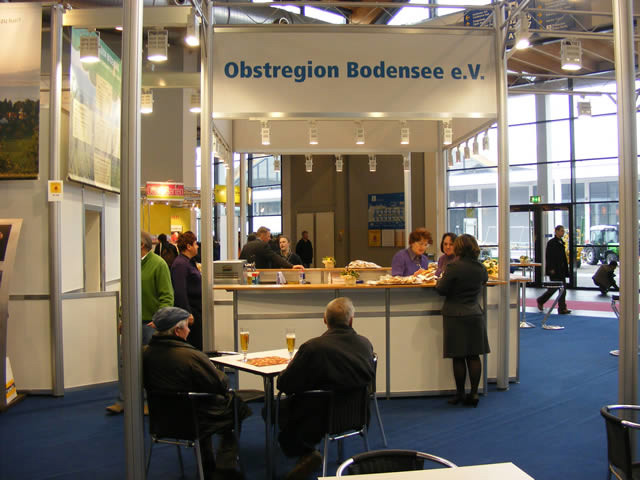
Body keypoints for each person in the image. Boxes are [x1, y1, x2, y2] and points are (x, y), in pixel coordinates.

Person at [143, 307, 250, 480]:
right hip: (194, 420)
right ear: (177, 331)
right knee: (235, 405)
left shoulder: (145, 353)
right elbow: (220, 383)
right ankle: (225, 468)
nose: (189, 330)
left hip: (161, 420)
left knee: (198, 405)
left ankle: (206, 465)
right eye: (187, 326)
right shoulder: (190, 356)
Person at [276, 297, 375, 480]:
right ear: (351, 320)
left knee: (272, 409)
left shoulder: (313, 348)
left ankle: (306, 451)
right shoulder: (365, 344)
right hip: (357, 414)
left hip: (319, 419)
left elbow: (284, 384)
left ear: (325, 320)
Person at [106, 231, 174, 414]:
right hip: (131, 323)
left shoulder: (159, 264)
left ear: (142, 245)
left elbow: (167, 296)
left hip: (150, 324)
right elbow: (126, 294)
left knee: (149, 365)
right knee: (125, 362)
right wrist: (123, 317)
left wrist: (159, 320)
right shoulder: (130, 264)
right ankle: (124, 400)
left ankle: (148, 402)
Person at [435, 234, 489, 408]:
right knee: (474, 355)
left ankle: (460, 393)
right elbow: (485, 281)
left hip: (454, 314)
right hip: (474, 314)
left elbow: (441, 289)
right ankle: (474, 393)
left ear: (458, 248)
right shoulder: (480, 268)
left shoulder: (453, 267)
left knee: (458, 357)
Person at [171, 231, 203, 350]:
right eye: (195, 244)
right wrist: (187, 313)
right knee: (194, 344)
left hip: (196, 309)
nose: (197, 246)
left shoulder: (189, 262)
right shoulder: (180, 264)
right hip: (191, 311)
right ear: (188, 246)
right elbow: (180, 290)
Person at [536, 225, 571, 314]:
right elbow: (549, 257)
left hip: (561, 270)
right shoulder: (551, 243)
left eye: (563, 231)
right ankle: (541, 300)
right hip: (554, 270)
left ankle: (562, 308)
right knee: (553, 289)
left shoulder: (561, 242)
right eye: (561, 231)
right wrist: (551, 268)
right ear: (556, 231)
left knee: (563, 289)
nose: (563, 232)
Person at [240, 226, 304, 270]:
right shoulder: (263, 245)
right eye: (268, 236)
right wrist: (291, 266)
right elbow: (275, 258)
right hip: (261, 276)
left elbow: (241, 261)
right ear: (263, 236)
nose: (270, 239)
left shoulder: (246, 246)